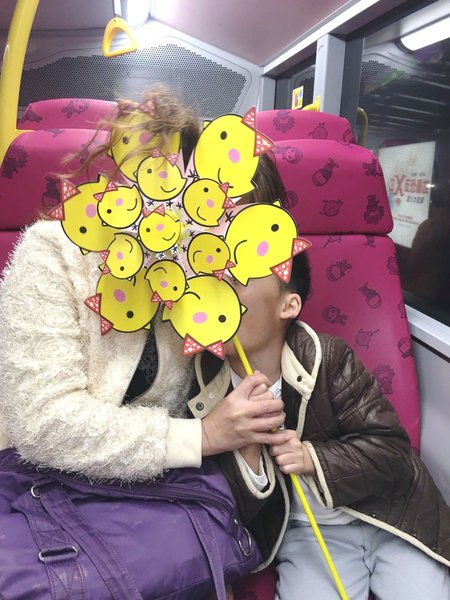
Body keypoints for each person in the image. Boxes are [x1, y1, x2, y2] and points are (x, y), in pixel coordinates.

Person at [0, 87, 285, 483]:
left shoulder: (215, 292)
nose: (218, 244)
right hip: (36, 483)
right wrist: (201, 437)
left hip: (152, 492)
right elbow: (42, 422)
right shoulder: (53, 252)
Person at [193, 251, 450, 599]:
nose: (219, 290)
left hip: (389, 514)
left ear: (288, 306)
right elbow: (225, 507)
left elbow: (392, 451)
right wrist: (248, 455)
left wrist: (311, 458)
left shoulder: (329, 359)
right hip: (309, 533)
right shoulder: (205, 387)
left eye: (236, 280)